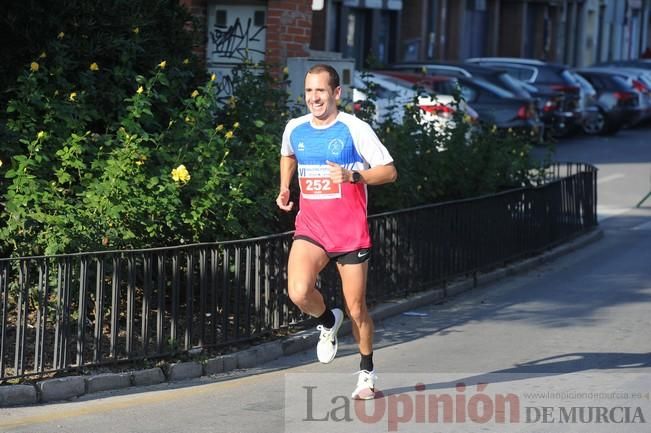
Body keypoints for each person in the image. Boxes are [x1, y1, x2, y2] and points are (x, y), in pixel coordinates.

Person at [276, 64, 397, 400]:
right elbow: (288, 155)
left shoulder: (354, 129)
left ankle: (367, 372)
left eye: (321, 91)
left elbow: (389, 172)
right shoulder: (295, 128)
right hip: (311, 229)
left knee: (357, 308)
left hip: (349, 233)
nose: (314, 98)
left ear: (336, 93)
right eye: (309, 91)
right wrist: (285, 187)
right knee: (299, 292)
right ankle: (329, 321)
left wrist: (354, 177)